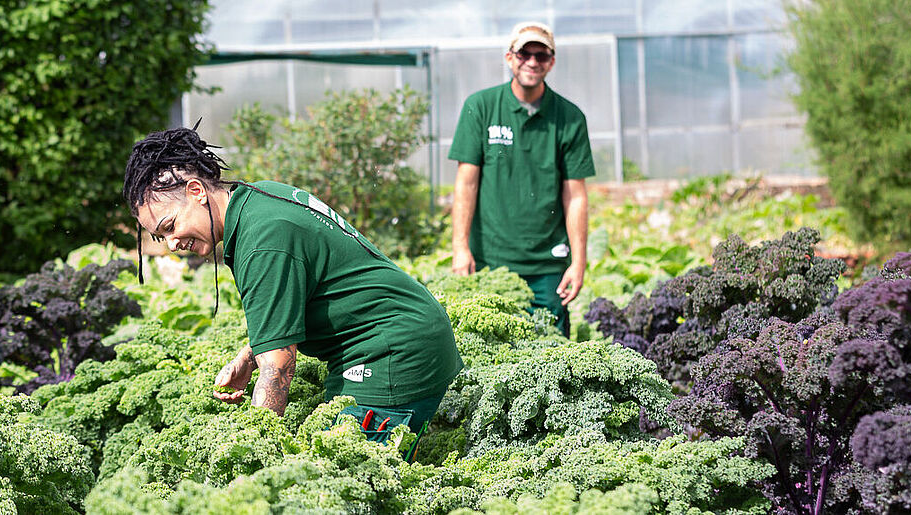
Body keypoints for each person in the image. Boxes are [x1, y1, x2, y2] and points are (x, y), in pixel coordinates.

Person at [122, 127, 463, 442]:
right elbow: (291, 302)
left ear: (196, 191)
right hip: (404, 335)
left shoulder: (263, 240)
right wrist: (248, 357)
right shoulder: (258, 198)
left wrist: (253, 453)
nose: (171, 243)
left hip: (393, 355)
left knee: (345, 476)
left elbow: (278, 369)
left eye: (170, 225)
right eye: (159, 236)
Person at [448, 21, 594, 336]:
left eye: (541, 55)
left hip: (547, 266)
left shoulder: (569, 118)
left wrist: (579, 261)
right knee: (492, 355)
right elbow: (466, 184)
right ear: (509, 57)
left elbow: (576, 196)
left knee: (551, 355)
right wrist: (460, 247)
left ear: (551, 62)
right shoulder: (481, 107)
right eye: (524, 53)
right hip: (491, 261)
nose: (532, 61)